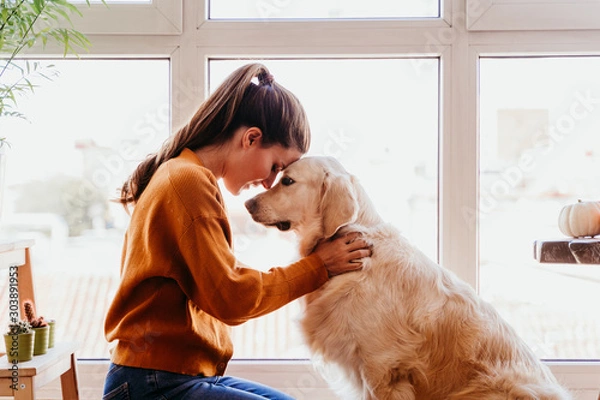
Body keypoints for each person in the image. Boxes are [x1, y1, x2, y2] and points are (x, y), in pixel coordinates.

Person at [102, 63, 371, 400]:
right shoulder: (187, 181)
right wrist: (319, 266)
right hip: (151, 384)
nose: (270, 182)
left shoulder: (185, 175)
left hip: (173, 376)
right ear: (251, 138)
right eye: (275, 166)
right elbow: (231, 297)